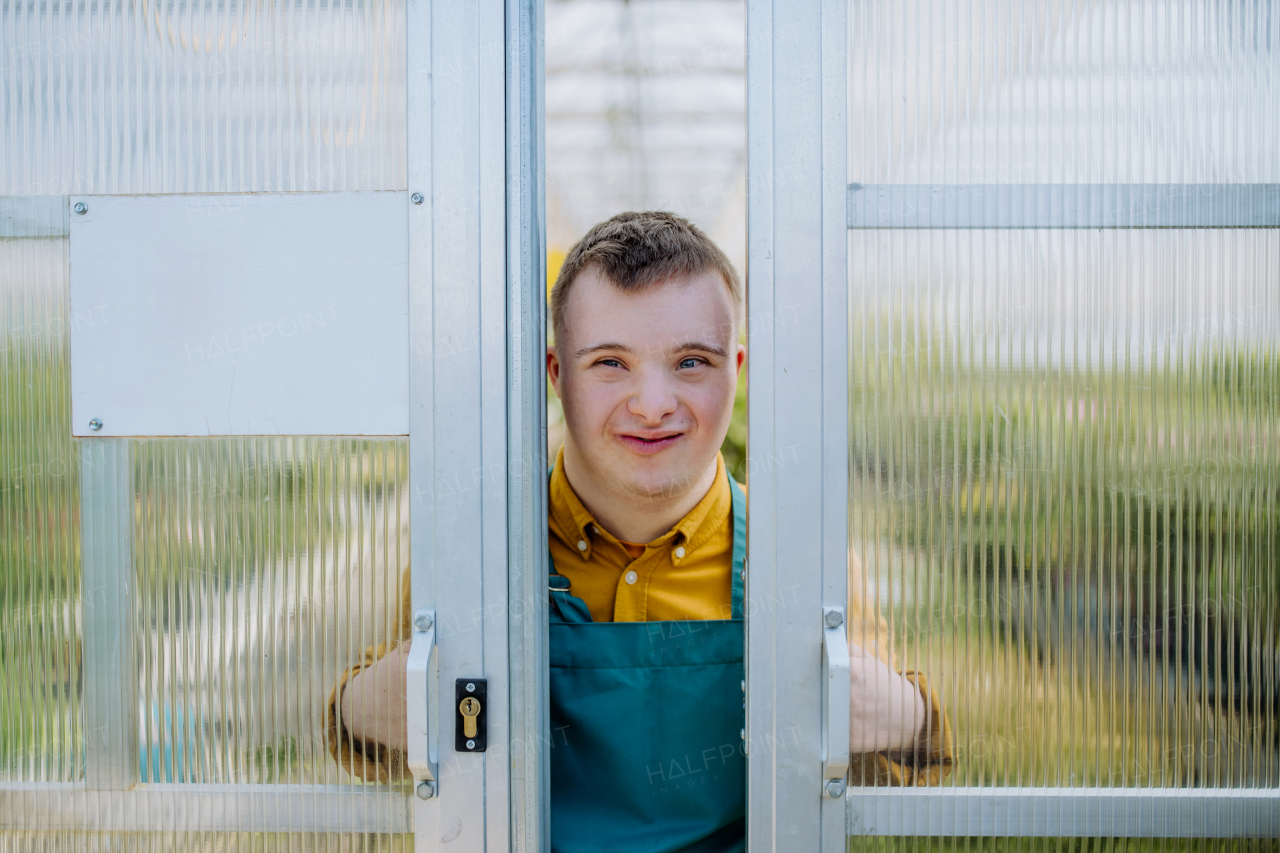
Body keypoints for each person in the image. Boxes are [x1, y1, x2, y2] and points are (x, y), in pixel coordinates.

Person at [328, 212, 953, 850]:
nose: (653, 405)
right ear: (554, 373)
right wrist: (363, 707)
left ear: (735, 369)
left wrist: (908, 718)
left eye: (690, 362)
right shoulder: (477, 554)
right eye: (610, 363)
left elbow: (897, 765)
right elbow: (386, 756)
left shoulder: (794, 555)